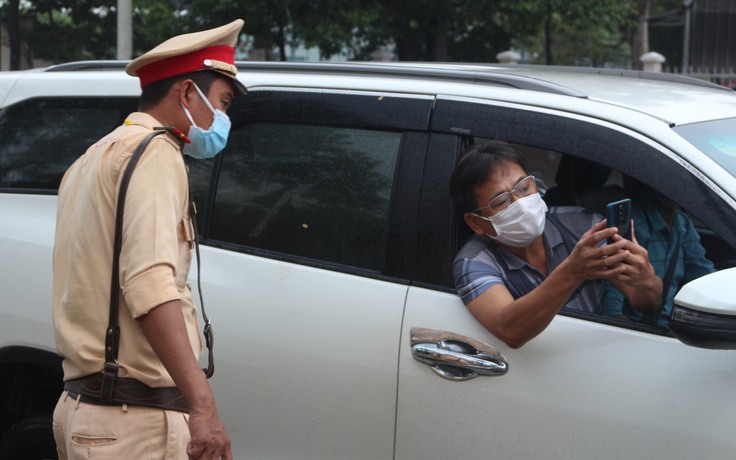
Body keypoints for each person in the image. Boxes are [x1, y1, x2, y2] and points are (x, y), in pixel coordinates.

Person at [52, 19, 247, 459]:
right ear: (186, 93)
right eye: (222, 102)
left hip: (84, 409)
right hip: (133, 423)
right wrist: (203, 407)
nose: (224, 118)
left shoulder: (92, 157)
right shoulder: (157, 152)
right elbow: (149, 286)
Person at [450, 141, 662, 348]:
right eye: (501, 202)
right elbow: (510, 330)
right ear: (476, 222)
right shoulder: (474, 263)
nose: (520, 205)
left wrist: (646, 280)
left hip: (598, 357)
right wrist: (572, 271)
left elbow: (645, 301)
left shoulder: (583, 226)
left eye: (524, 188)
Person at [602, 178, 715, 327]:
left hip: (671, 324)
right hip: (638, 328)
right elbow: (613, 290)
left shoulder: (683, 223)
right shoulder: (633, 224)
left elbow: (703, 272)